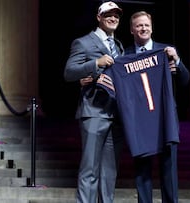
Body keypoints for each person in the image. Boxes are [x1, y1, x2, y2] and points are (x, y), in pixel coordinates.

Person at [124, 11, 190, 203]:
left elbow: (185, 81)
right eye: (139, 25)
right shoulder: (125, 55)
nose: (143, 28)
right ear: (131, 30)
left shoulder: (165, 52)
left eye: (146, 25)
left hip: (164, 118)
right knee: (142, 170)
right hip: (140, 122)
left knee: (168, 170)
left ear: (151, 28)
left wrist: (177, 60)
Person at [63, 1, 124, 203]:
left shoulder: (118, 46)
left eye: (116, 15)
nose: (113, 18)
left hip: (115, 115)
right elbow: (69, 72)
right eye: (108, 14)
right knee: (90, 169)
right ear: (99, 17)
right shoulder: (84, 42)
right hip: (94, 112)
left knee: (109, 172)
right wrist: (95, 63)